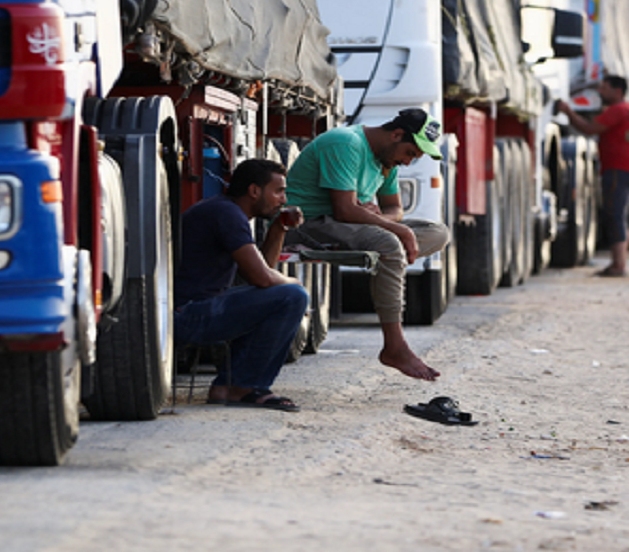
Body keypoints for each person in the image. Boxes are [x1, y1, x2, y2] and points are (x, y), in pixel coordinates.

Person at [284, 108, 450, 382]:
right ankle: (395, 346)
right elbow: (344, 211)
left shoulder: (387, 160)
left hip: (354, 226)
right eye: (410, 153)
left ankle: (385, 254)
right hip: (309, 224)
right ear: (396, 134)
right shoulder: (346, 143)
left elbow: (394, 208)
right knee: (389, 241)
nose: (408, 162)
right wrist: (393, 228)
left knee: (438, 232)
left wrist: (381, 219)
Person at [174, 158, 310, 412]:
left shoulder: (226, 210)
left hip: (191, 310)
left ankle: (230, 386)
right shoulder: (227, 213)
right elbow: (263, 279)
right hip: (186, 314)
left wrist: (279, 228)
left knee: (286, 295)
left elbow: (262, 278)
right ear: (254, 191)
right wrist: (295, 285)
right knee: (293, 296)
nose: (283, 199)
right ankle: (243, 386)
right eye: (279, 191)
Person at [556, 74, 629, 277]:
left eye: (605, 88)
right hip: (628, 168)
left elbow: (589, 128)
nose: (600, 92)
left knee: (615, 215)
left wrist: (568, 111)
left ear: (618, 91)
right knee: (620, 214)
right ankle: (619, 262)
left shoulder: (618, 111)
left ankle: (619, 265)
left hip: (618, 169)